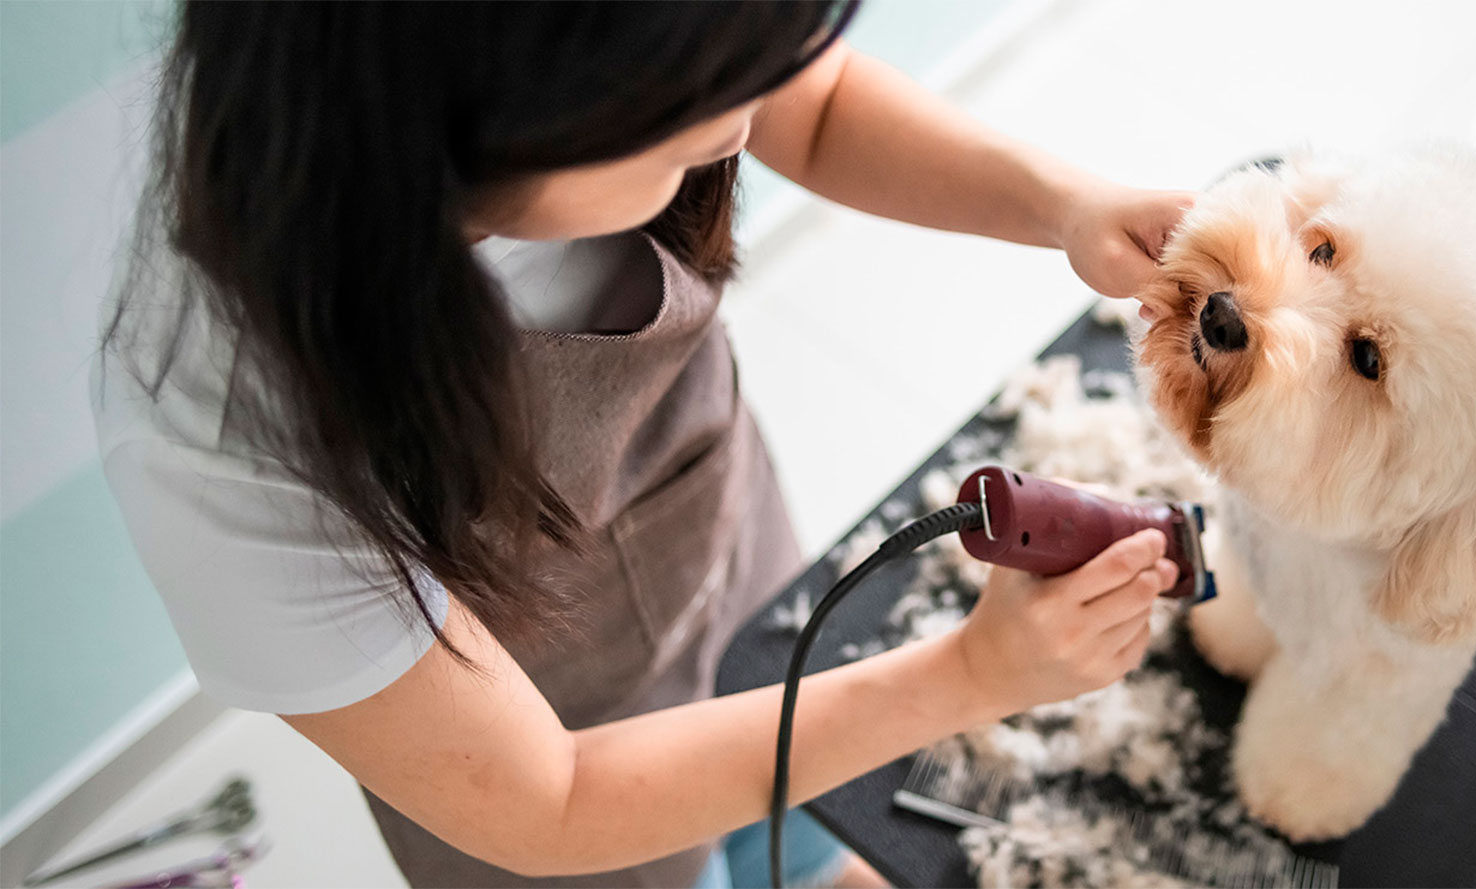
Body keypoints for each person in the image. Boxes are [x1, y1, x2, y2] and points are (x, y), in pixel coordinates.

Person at [94, 3, 1193, 886]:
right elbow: (551, 800)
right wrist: (968, 674)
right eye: (695, 112)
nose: (738, 128)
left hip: (718, 554)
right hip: (554, 797)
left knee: (811, 814)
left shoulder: (625, 64)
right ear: (500, 115)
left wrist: (1062, 205)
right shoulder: (228, 422)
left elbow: (804, 104)